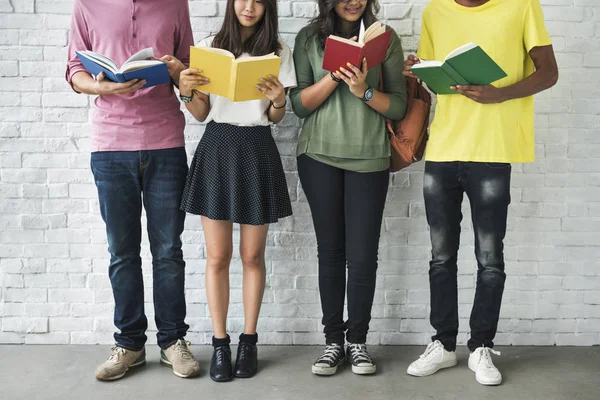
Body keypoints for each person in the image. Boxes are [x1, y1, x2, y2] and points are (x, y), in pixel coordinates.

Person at [404, 0, 558, 386]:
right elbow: (440, 78)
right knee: (441, 257)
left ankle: (480, 347)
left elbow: (549, 72)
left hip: (492, 150)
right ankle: (442, 344)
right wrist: (418, 71)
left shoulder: (522, 6)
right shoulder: (434, 11)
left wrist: (500, 94)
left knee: (490, 258)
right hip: (443, 149)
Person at [65, 0, 200, 381]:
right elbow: (74, 71)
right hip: (110, 145)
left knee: (168, 251)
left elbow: (189, 69)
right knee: (122, 252)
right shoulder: (86, 5)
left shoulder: (176, 4)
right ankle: (130, 344)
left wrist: (178, 71)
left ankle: (174, 340)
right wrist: (103, 86)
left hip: (165, 141)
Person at [177, 0, 297, 382]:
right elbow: (199, 113)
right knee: (217, 257)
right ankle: (220, 343)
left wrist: (278, 99)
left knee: (252, 256)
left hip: (258, 147)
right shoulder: (210, 46)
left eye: (259, 0)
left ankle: (249, 340)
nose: (250, 6)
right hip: (217, 146)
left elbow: (276, 118)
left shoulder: (278, 50)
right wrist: (185, 90)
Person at [290, 0, 407, 377]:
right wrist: (335, 78)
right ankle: (332, 343)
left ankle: (357, 341)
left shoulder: (385, 38)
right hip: (318, 155)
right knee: (330, 251)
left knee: (362, 256)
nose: (353, 1)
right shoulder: (308, 38)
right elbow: (299, 105)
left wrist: (363, 91)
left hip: (370, 158)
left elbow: (399, 108)